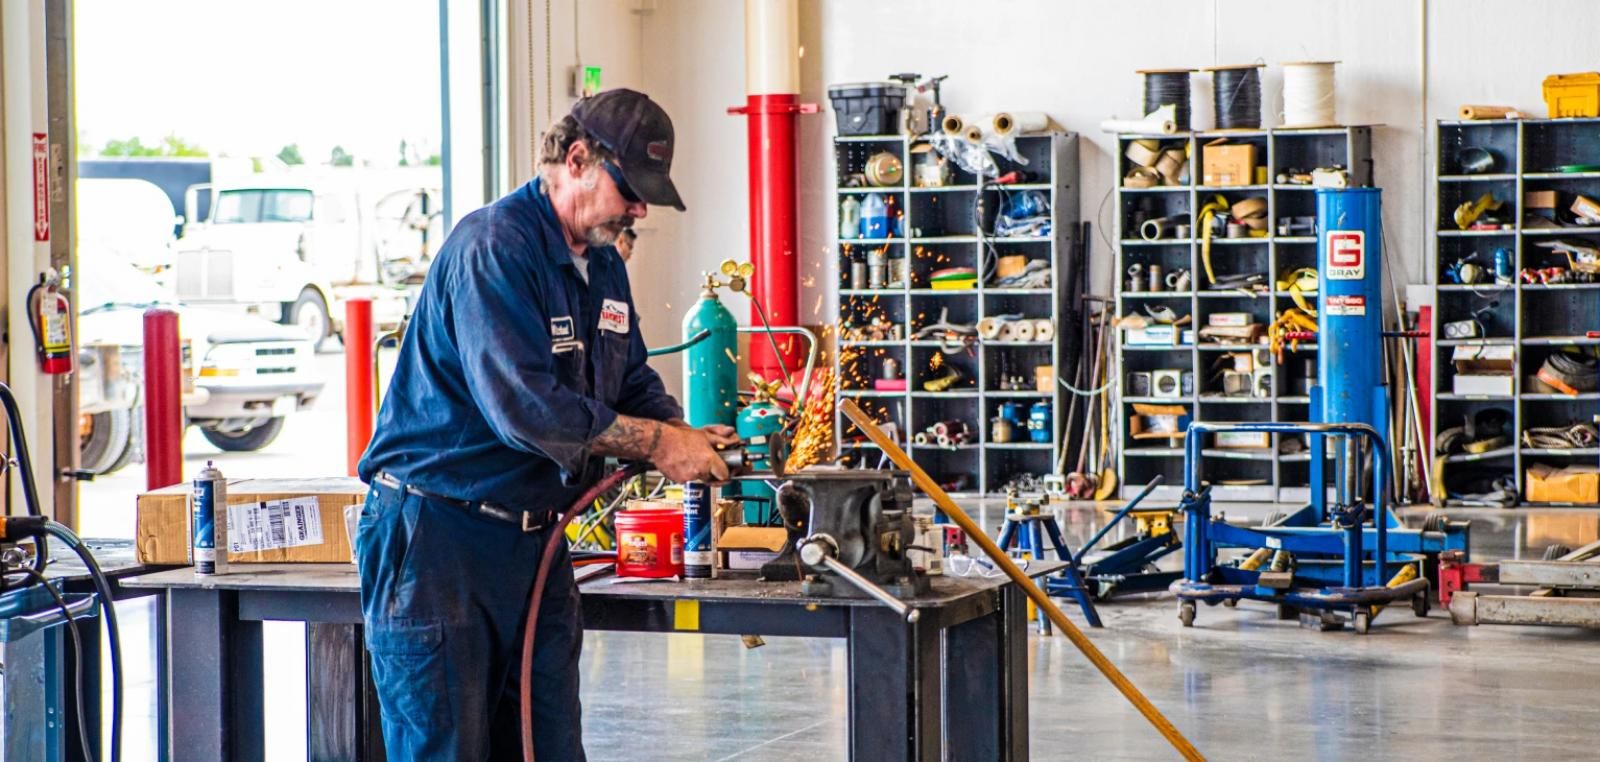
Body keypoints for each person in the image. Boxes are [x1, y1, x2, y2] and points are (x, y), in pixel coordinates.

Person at [355, 88, 736, 760]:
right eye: (630, 189)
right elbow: (525, 410)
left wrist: (683, 434)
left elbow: (630, 379)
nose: (639, 210)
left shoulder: (604, 264)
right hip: (439, 540)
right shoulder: (494, 249)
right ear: (576, 160)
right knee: (447, 749)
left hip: (534, 541)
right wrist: (656, 443)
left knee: (548, 744)